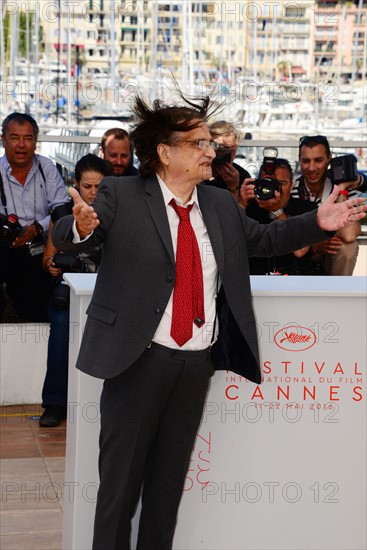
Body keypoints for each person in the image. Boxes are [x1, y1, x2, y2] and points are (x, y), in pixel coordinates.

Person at [52, 93, 367, 550]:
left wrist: (316, 222)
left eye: (209, 141)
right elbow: (74, 239)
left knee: (165, 491)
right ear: (166, 152)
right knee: (119, 492)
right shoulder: (121, 194)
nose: (210, 151)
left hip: (195, 364)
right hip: (137, 362)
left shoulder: (218, 204)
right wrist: (78, 226)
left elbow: (264, 238)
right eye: (199, 142)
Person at [39, 154, 110, 427]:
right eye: (87, 186)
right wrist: (52, 265)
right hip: (70, 292)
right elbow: (48, 258)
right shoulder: (61, 215)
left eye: (98, 187)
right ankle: (55, 403)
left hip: (106, 291)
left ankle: (107, 404)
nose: (92, 192)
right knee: (60, 330)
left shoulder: (116, 214)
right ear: (76, 185)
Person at [0, 112, 70, 321]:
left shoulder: (46, 167)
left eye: (28, 138)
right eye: (15, 138)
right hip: (4, 248)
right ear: (3, 140)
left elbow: (61, 210)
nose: (21, 145)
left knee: (36, 303)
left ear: (35, 142)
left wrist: (36, 228)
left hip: (39, 248)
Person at [292, 135, 367, 275]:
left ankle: (339, 293)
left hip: (330, 251)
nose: (312, 167)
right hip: (300, 253)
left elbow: (350, 235)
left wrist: (342, 188)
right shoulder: (291, 186)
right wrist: (315, 245)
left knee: (348, 247)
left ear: (329, 159)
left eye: (318, 160)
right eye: (306, 161)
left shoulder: (340, 184)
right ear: (299, 160)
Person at [241, 157, 319, 275]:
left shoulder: (307, 209)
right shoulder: (249, 208)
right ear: (258, 184)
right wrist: (241, 204)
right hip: (253, 281)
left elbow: (299, 251)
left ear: (292, 185)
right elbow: (230, 243)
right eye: (268, 184)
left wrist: (276, 211)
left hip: (295, 281)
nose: (276, 189)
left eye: (282, 183)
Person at [204, 120, 251, 204]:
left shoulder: (242, 175)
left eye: (232, 149)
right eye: (221, 149)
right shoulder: (198, 171)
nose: (227, 154)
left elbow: (237, 213)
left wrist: (233, 187)